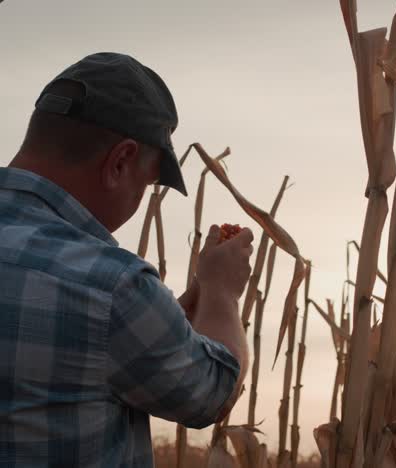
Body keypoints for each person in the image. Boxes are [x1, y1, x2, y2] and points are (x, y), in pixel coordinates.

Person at [0, 52, 253, 467]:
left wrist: (166, 317)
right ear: (119, 162)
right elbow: (211, 393)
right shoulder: (111, 286)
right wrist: (222, 293)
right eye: (147, 182)